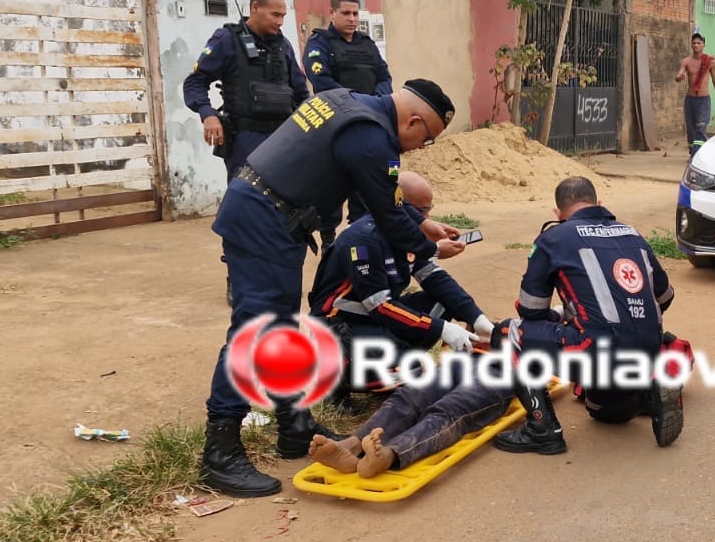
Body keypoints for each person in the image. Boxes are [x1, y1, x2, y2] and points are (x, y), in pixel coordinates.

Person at [200, 79, 471, 498]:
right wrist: (429, 248)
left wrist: (421, 222)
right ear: (414, 121)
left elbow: (380, 197)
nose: (420, 148)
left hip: (270, 215)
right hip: (264, 221)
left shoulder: (346, 103)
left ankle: (294, 426)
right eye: (427, 139)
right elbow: (383, 212)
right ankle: (219, 450)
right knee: (256, 330)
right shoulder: (371, 136)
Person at [490, 176, 684, 456]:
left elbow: (532, 311)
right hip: (648, 347)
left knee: (509, 333)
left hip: (596, 348)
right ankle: (647, 393)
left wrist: (565, 316)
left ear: (558, 214)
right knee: (601, 410)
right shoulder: (632, 233)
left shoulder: (553, 238)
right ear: (599, 203)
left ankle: (543, 431)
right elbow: (665, 296)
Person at [310, 170, 494, 383]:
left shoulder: (407, 236)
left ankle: (397, 354)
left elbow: (437, 280)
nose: (426, 220)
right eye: (420, 211)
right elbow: (380, 306)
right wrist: (441, 328)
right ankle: (339, 378)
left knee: (443, 301)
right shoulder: (364, 240)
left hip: (373, 319)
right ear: (396, 206)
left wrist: (478, 320)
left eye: (428, 210)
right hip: (340, 326)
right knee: (411, 369)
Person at [308, 355, 514, 479]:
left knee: (449, 410)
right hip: (467, 359)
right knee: (410, 396)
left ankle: (388, 455)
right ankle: (353, 445)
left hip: (504, 372)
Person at [183, 0, 311, 179]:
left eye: (283, 16)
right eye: (275, 15)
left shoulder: (283, 46)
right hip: (245, 140)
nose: (280, 22)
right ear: (255, 7)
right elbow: (195, 82)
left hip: (282, 140)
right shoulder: (227, 40)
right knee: (246, 202)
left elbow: (301, 94)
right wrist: (208, 114)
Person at [304, 0, 393, 96]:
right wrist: (353, 99)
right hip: (339, 108)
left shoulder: (367, 43)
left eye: (355, 14)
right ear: (332, 13)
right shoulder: (320, 42)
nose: (352, 19)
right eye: (346, 13)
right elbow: (321, 80)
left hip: (372, 108)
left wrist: (376, 100)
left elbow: (384, 77)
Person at [675, 32, 715, 148]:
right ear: (691, 45)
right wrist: (679, 77)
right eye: (694, 43)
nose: (696, 45)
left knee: (701, 127)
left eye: (699, 43)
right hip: (690, 100)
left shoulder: (709, 61)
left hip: (703, 101)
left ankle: (698, 153)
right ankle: (693, 151)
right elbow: (679, 75)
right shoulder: (686, 61)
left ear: (703, 45)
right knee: (691, 129)